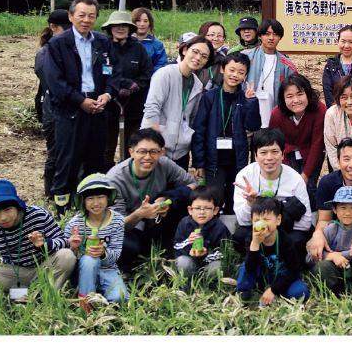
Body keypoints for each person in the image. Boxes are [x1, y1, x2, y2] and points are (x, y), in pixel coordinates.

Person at [43, 0, 118, 215]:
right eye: (82, 15)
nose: (86, 20)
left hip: (98, 106)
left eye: (91, 16)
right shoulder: (58, 44)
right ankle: (61, 210)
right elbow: (55, 82)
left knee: (96, 160)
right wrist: (80, 101)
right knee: (67, 160)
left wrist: (108, 94)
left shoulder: (102, 42)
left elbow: (113, 72)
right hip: (70, 109)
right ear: (71, 16)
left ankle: (91, 208)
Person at [0, 179, 76, 302]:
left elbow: (64, 241)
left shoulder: (38, 215)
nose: (3, 218)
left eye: (7, 210)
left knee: (66, 256)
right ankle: (14, 298)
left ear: (17, 206)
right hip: (13, 272)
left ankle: (46, 295)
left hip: (45, 267)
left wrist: (45, 244)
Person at [106, 128, 197, 272]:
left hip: (158, 218)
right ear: (131, 152)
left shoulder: (165, 164)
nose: (147, 157)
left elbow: (194, 185)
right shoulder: (115, 179)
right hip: (130, 225)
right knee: (128, 247)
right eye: (142, 152)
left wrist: (168, 198)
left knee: (189, 201)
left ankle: (173, 253)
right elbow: (116, 226)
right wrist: (139, 214)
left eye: (153, 152)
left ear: (161, 152)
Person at [190, 52, 261, 214]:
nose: (235, 75)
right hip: (213, 160)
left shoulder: (244, 98)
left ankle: (230, 237)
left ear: (245, 75)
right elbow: (199, 130)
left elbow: (253, 125)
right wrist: (199, 162)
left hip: (237, 158)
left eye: (241, 72)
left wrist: (251, 102)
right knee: (214, 198)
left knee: (234, 199)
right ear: (222, 69)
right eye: (232, 70)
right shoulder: (209, 97)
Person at [232, 128, 312, 257]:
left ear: (283, 154)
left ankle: (284, 266)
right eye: (263, 152)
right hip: (257, 227)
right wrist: (250, 203)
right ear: (255, 155)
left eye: (275, 152)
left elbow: (305, 223)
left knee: (297, 240)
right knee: (240, 236)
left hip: (284, 228)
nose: (269, 158)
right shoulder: (245, 176)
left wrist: (274, 227)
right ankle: (256, 263)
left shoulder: (295, 179)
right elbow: (243, 221)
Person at [142, 34, 214, 170]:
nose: (198, 58)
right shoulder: (165, 74)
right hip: (157, 148)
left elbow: (192, 118)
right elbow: (152, 108)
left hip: (181, 151)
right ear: (185, 49)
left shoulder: (197, 85)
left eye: (204, 56)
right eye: (195, 52)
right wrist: (152, 144)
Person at [64, 174, 127, 310]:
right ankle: (86, 300)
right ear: (83, 202)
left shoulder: (118, 221)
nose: (96, 203)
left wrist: (103, 253)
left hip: (108, 269)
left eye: (100, 197)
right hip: (83, 270)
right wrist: (74, 248)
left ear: (108, 198)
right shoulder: (75, 224)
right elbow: (67, 258)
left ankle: (102, 294)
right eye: (90, 199)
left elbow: (116, 254)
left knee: (119, 297)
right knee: (90, 259)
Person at [101, 10, 153, 169]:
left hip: (133, 106)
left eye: (124, 26)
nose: (120, 29)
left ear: (130, 28)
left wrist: (135, 86)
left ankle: (127, 173)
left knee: (131, 145)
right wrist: (118, 85)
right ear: (110, 28)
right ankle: (106, 175)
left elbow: (147, 73)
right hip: (109, 105)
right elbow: (103, 71)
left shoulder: (138, 49)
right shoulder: (104, 48)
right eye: (116, 26)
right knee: (107, 146)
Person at [269, 74, 327, 211]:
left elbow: (317, 144)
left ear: (308, 93)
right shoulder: (277, 114)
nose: (295, 100)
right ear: (283, 99)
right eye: (289, 96)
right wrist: (286, 170)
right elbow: (275, 144)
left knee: (309, 187)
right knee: (288, 188)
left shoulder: (320, 110)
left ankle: (312, 221)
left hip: (311, 153)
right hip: (287, 155)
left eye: (300, 94)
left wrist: (305, 175)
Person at [237, 197, 309, 304]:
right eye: (257, 220)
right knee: (244, 273)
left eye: (266, 219)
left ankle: (280, 293)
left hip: (280, 276)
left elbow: (294, 270)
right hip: (260, 275)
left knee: (301, 292)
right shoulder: (251, 239)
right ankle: (246, 293)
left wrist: (273, 289)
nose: (262, 224)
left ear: (278, 220)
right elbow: (249, 267)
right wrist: (255, 244)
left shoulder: (286, 241)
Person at [35, 8, 72, 200]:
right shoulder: (46, 52)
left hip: (70, 106)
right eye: (63, 29)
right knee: (55, 152)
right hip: (52, 107)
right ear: (52, 27)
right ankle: (50, 193)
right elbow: (51, 82)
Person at [242, 18, 299, 126]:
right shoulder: (246, 57)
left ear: (280, 37)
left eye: (275, 34)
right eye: (267, 34)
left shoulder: (287, 64)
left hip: (276, 119)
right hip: (247, 116)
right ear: (260, 35)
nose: (271, 38)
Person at [173, 185, 231, 287]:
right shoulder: (184, 223)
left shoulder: (219, 227)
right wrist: (188, 244)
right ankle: (186, 285)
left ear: (215, 210)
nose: (202, 212)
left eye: (207, 208)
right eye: (198, 208)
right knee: (183, 262)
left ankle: (210, 287)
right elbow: (176, 247)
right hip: (189, 260)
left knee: (216, 268)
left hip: (209, 262)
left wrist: (205, 253)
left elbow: (223, 252)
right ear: (190, 210)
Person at [131, 7, 169, 72]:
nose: (142, 24)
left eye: (145, 21)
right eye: (138, 20)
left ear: (150, 23)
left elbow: (161, 66)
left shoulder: (157, 45)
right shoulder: (125, 41)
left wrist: (146, 73)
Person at [195, 21, 228, 88]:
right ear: (202, 36)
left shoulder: (226, 58)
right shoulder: (193, 57)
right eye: (212, 35)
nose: (216, 39)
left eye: (219, 36)